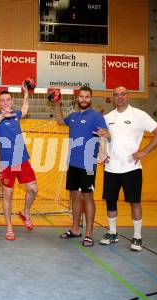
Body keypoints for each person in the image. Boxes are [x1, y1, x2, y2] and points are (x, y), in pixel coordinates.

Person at [99, 86, 157, 251]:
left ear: (128, 96)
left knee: (135, 202)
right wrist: (103, 155)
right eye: (116, 95)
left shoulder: (139, 115)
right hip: (111, 168)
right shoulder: (107, 117)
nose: (119, 97)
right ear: (113, 97)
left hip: (132, 168)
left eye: (122, 94)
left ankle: (137, 237)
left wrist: (144, 151)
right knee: (110, 202)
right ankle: (112, 233)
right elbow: (102, 138)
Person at [54, 86, 108, 247]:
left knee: (87, 197)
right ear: (78, 98)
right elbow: (59, 121)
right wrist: (57, 104)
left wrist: (103, 152)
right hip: (73, 163)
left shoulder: (96, 116)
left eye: (87, 97)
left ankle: (89, 234)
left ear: (90, 99)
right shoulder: (74, 116)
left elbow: (105, 135)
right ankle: (75, 229)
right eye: (81, 96)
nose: (84, 99)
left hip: (88, 164)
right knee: (75, 197)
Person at [0, 84, 38, 241]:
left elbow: (24, 109)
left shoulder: (16, 114)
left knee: (33, 189)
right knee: (7, 195)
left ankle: (25, 212)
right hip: (7, 163)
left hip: (22, 159)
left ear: (11, 101)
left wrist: (26, 93)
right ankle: (9, 227)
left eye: (8, 100)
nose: (5, 102)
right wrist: (3, 115)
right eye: (2, 100)